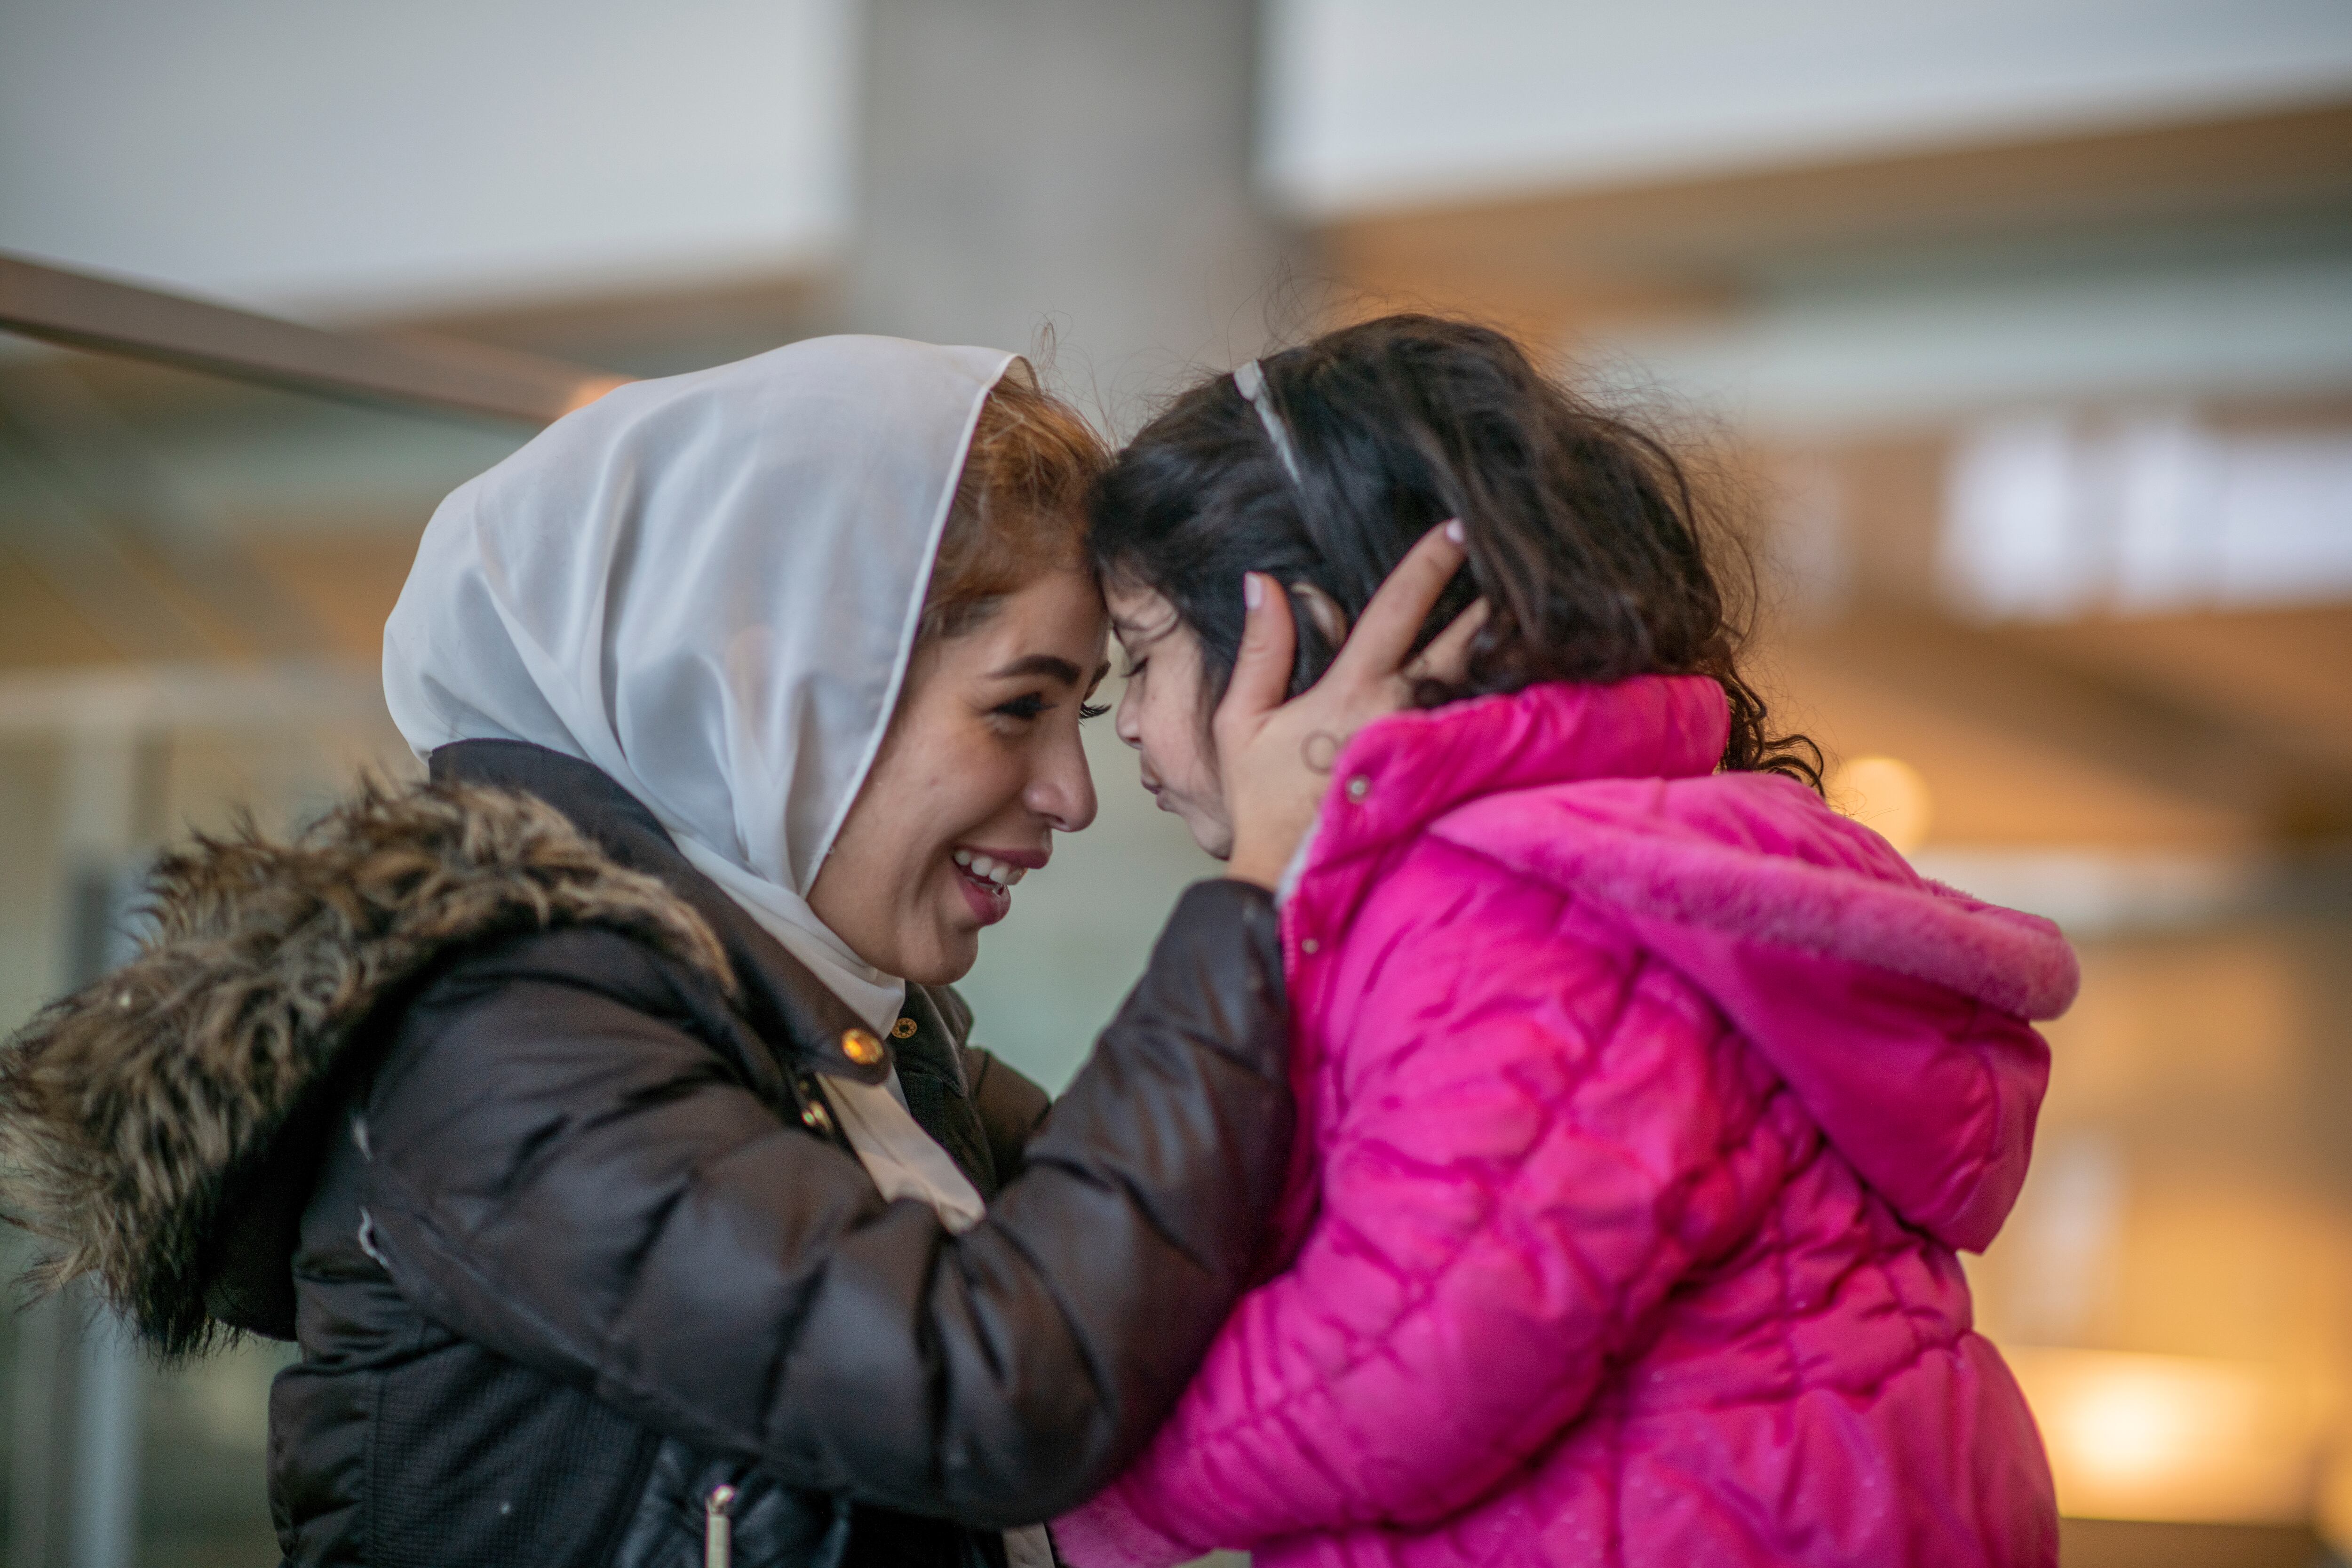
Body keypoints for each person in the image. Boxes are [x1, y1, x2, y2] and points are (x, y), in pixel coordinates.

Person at [0, 335, 1453, 1568]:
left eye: (1080, 719)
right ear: (771, 700)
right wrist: (1264, 887)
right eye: (1018, 709)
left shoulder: (848, 1040)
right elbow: (986, 1386)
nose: (1072, 797)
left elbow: (1206, 1262)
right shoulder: (492, 1048)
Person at [1053, 314, 2081, 1568]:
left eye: (1142, 658)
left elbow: (1414, 1348)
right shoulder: (1584, 869)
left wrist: (1096, 1498)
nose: (1126, 730)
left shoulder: (1508, 904)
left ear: (1305, 639)